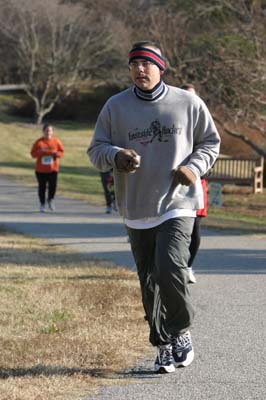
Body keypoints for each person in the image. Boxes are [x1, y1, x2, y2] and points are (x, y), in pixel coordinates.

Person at [87, 40, 220, 374]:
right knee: (148, 281)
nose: (139, 69)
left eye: (146, 63)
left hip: (179, 202)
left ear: (161, 67)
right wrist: (116, 156)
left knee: (169, 266)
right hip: (136, 205)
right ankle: (162, 343)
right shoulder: (116, 106)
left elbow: (210, 142)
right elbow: (96, 149)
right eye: (134, 64)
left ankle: (181, 330)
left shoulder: (187, 102)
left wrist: (194, 167)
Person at [180, 83, 208, 284]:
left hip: (198, 181)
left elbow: (211, 147)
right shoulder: (172, 118)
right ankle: (175, 266)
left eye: (194, 95)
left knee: (195, 229)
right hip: (172, 182)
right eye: (186, 95)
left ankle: (188, 266)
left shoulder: (202, 119)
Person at [31, 124, 64, 212]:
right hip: (40, 170)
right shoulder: (39, 142)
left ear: (52, 132)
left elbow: (61, 151)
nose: (48, 132)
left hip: (53, 169)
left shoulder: (56, 141)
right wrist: (40, 152)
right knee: (42, 187)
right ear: (43, 131)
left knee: (53, 186)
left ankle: (50, 200)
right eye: (46, 130)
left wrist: (57, 154)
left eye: (50, 131)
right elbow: (33, 154)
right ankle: (42, 204)